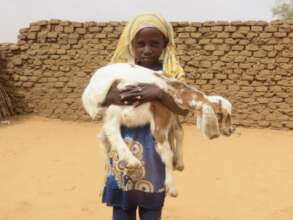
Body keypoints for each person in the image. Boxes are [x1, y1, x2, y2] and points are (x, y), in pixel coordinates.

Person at [100, 13, 187, 220]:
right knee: (122, 209)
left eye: (154, 43)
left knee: (151, 210)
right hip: (124, 149)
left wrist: (158, 93)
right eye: (141, 44)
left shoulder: (171, 74)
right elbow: (99, 101)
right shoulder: (119, 73)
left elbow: (183, 109)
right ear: (131, 45)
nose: (147, 49)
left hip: (155, 151)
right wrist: (115, 95)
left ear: (165, 45)